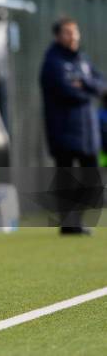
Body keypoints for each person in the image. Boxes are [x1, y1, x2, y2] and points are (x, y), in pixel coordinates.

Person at [40, 17, 106, 234]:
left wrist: (84, 83)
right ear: (58, 36)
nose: (73, 36)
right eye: (68, 32)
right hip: (64, 131)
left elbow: (101, 85)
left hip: (88, 131)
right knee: (67, 177)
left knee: (93, 181)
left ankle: (74, 218)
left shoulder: (82, 60)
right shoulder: (53, 62)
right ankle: (70, 223)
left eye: (75, 32)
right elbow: (68, 92)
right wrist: (88, 90)